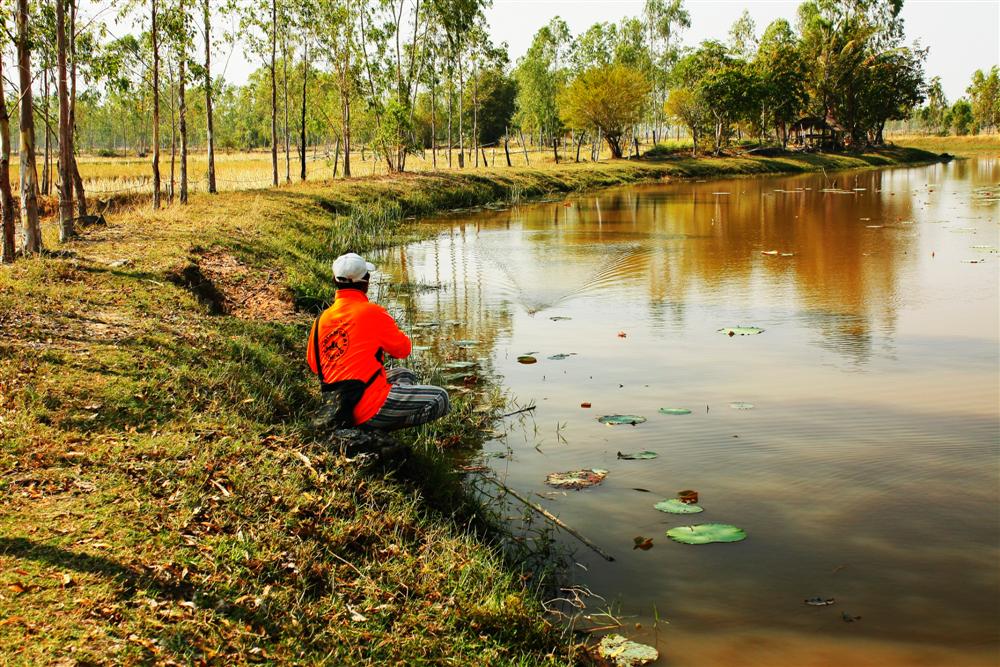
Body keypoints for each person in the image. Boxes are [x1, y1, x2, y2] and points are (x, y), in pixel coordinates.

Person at [307, 252, 449, 432]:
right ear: (365, 282)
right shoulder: (372, 313)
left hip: (338, 401)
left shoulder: (321, 319)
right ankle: (373, 429)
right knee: (440, 398)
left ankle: (367, 423)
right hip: (366, 406)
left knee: (404, 374)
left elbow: (314, 365)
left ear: (334, 280)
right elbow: (403, 349)